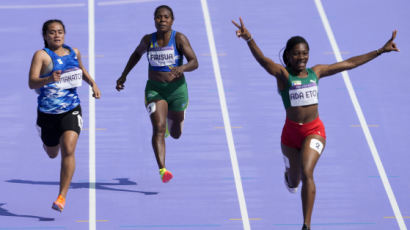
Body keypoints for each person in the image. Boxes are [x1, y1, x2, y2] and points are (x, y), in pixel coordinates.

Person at [232, 17, 399, 230]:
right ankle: (289, 176)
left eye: (305, 53)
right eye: (296, 54)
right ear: (289, 56)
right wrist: (249, 39)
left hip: (315, 131)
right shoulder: (283, 75)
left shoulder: (316, 72)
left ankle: (306, 225)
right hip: (290, 135)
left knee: (307, 171)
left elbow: (348, 63)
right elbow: (264, 61)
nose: (301, 57)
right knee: (294, 181)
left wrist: (379, 51)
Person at [116, 5, 198, 183]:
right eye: (159, 17)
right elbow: (136, 55)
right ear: (154, 20)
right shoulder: (148, 40)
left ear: (172, 20)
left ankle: (176, 117)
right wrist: (123, 76)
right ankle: (163, 169)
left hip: (177, 90)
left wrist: (181, 68)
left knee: (175, 133)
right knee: (158, 128)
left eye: (166, 17)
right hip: (155, 90)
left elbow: (194, 62)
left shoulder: (179, 39)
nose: (162, 20)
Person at [29, 19, 101, 212]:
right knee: (53, 153)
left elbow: (81, 70)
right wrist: (49, 79)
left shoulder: (73, 52)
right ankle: (47, 141)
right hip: (47, 113)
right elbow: (32, 83)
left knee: (69, 148)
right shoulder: (41, 56)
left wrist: (92, 83)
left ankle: (62, 196)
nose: (57, 35)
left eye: (60, 31)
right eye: (52, 32)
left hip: (71, 109)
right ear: (45, 36)